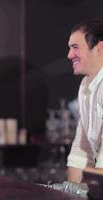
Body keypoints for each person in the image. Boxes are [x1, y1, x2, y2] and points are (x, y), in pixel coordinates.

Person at [67, 19, 103, 183]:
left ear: (99, 48)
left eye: (75, 47)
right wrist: (72, 191)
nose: (69, 55)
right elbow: (81, 149)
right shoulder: (85, 86)